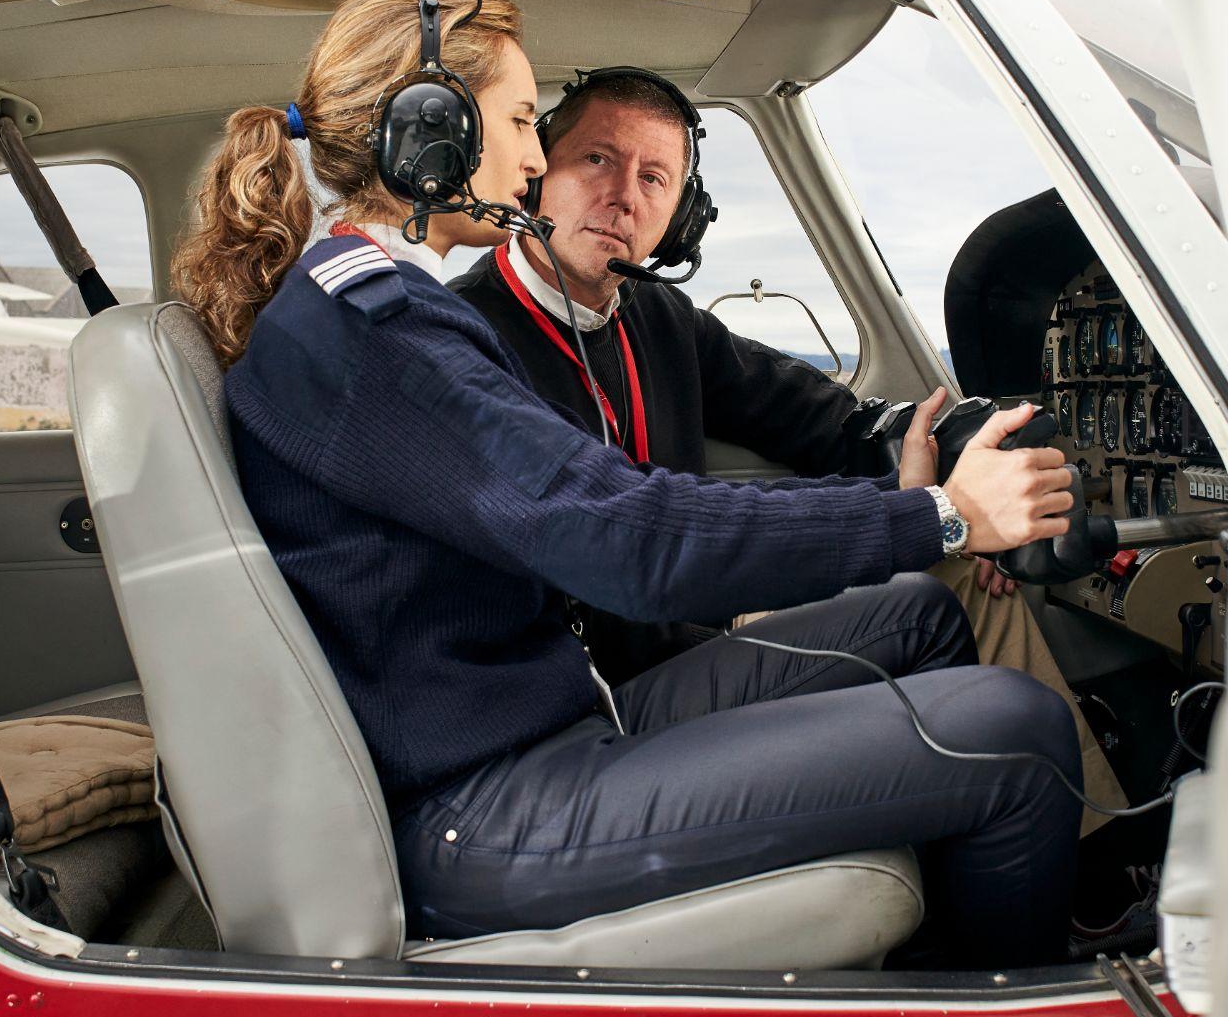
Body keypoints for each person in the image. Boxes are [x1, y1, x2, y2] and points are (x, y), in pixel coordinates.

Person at [171, 0, 1084, 967]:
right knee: (1014, 729)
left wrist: (907, 505)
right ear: (427, 127)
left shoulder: (364, 302)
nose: (529, 159)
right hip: (483, 808)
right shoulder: (378, 327)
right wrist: (940, 521)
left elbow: (623, 506)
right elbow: (620, 535)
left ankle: (943, 917)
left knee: (923, 616)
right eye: (522, 121)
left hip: (547, 722)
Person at [447, 67, 1127, 830]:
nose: (624, 196)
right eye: (597, 161)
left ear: (680, 216)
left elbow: (824, 421)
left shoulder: (662, 320)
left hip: (698, 630)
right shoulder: (466, 337)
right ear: (538, 172)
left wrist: (941, 472)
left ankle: (1095, 856)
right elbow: (627, 541)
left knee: (963, 576)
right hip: (598, 690)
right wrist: (931, 515)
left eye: (655, 177)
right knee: (930, 568)